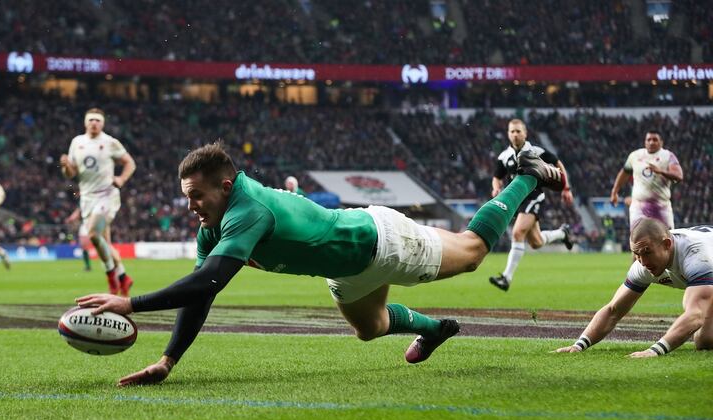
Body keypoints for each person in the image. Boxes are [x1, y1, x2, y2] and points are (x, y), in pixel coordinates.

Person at [76, 141, 564, 386]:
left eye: (196, 196)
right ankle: (434, 330)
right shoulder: (214, 225)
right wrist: (168, 360)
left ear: (224, 187)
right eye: (187, 198)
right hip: (346, 267)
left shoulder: (249, 210)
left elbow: (209, 279)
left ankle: (527, 177)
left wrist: (130, 303)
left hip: (379, 241)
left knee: (473, 250)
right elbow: (203, 290)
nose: (191, 207)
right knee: (370, 328)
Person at [554, 219, 713, 357]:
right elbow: (613, 311)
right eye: (636, 254)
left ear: (667, 244)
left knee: (704, 336)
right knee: (705, 340)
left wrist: (654, 351)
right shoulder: (643, 266)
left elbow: (696, 314)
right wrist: (579, 345)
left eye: (647, 252)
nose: (643, 262)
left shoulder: (697, 257)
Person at [489, 119, 575, 292]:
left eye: (518, 131)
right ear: (508, 134)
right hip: (517, 200)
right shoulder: (504, 156)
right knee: (536, 242)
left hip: (533, 196)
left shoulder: (535, 151)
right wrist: (496, 188)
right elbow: (497, 177)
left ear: (525, 133)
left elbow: (558, 163)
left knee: (517, 232)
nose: (515, 134)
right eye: (512, 131)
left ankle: (506, 277)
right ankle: (562, 233)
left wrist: (566, 188)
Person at [60, 108, 136, 295]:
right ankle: (123, 277)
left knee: (93, 235)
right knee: (105, 244)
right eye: (91, 120)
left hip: (106, 195)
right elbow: (70, 174)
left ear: (102, 123)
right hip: (87, 197)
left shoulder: (110, 142)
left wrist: (121, 179)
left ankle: (111, 276)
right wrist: (66, 166)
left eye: (97, 120)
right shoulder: (77, 142)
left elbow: (130, 163)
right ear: (85, 122)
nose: (94, 123)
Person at [610, 130, 683, 231]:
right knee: (638, 238)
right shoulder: (635, 156)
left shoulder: (668, 156)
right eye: (649, 140)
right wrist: (614, 191)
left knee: (666, 238)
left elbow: (679, 176)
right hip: (638, 207)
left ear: (661, 142)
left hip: (661, 207)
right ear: (645, 142)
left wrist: (661, 171)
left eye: (655, 140)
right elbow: (625, 173)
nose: (651, 142)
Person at [65, 207, 92, 272]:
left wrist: (70, 219)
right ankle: (88, 266)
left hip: (87, 225)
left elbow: (76, 213)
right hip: (92, 224)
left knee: (84, 246)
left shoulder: (84, 202)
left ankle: (88, 266)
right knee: (85, 247)